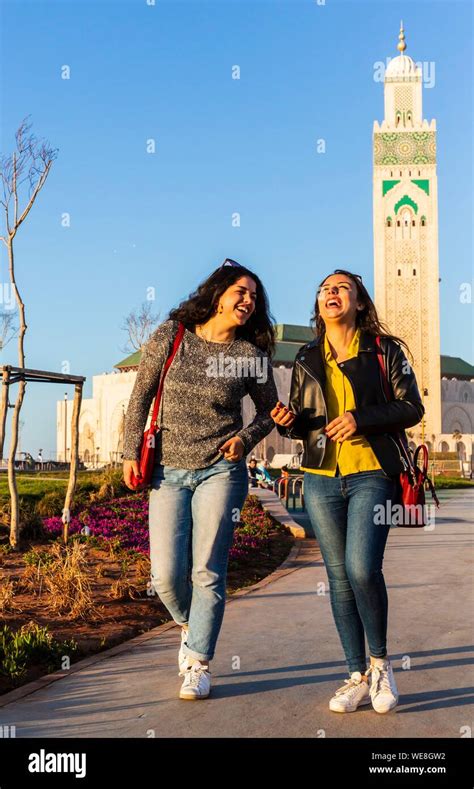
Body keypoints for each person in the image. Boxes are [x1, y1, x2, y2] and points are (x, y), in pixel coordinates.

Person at [122, 259, 278, 700]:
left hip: (221, 471)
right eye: (240, 292)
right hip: (166, 470)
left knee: (208, 569)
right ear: (218, 293)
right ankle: (192, 627)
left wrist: (244, 440)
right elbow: (141, 396)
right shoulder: (172, 336)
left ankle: (198, 663)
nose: (247, 302)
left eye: (254, 297)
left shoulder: (249, 357)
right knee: (167, 576)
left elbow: (271, 412)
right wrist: (129, 450)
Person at [271, 269, 424, 714]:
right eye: (324, 289)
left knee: (361, 568)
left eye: (341, 288)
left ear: (358, 302)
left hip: (372, 471)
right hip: (320, 475)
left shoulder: (383, 350)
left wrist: (361, 419)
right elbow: (306, 421)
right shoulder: (306, 355)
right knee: (338, 577)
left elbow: (411, 407)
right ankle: (356, 674)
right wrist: (289, 421)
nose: (330, 294)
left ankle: (381, 664)